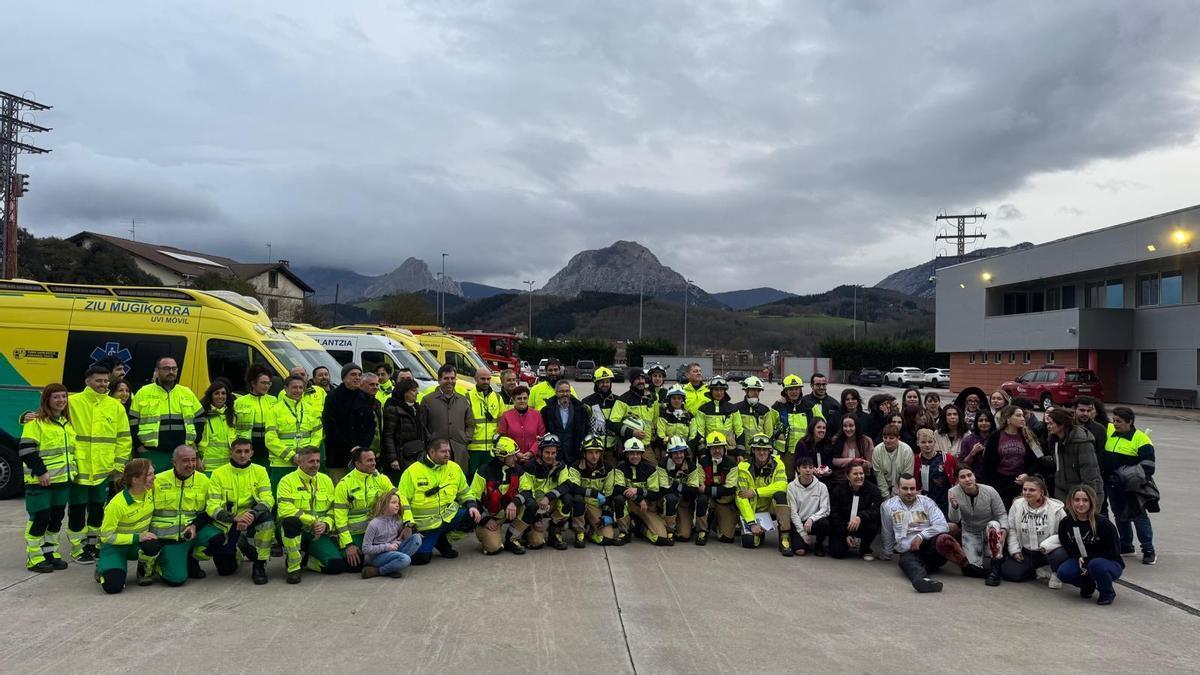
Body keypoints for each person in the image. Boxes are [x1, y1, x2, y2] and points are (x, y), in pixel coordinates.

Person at [67, 365, 133, 563]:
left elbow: (124, 439)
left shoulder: (115, 406)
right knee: (77, 510)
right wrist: (27, 416)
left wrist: (119, 468)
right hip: (80, 468)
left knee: (98, 510)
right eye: (99, 381)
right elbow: (47, 416)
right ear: (88, 381)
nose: (103, 384)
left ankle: (93, 545)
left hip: (104, 469)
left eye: (106, 381)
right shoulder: (71, 402)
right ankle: (78, 548)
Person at [19, 384, 76, 572]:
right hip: (40, 481)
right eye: (56, 397)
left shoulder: (66, 423)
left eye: (63, 396)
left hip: (62, 481)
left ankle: (50, 553)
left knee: (56, 519)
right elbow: (27, 450)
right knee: (40, 518)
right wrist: (41, 471)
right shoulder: (35, 422)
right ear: (47, 400)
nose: (61, 400)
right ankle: (34, 558)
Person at [397, 438, 481, 565]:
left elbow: (465, 492)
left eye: (448, 450)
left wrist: (471, 505)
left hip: (447, 518)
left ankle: (443, 539)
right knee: (421, 559)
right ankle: (437, 540)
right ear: (431, 452)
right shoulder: (412, 472)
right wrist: (408, 525)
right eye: (443, 451)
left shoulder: (454, 468)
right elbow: (402, 501)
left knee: (472, 516)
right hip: (424, 526)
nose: (448, 454)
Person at [881, 474, 971, 593]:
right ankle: (921, 580)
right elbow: (887, 531)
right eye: (905, 488)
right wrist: (887, 553)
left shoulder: (927, 502)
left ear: (916, 488)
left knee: (944, 539)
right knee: (906, 562)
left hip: (932, 547)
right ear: (898, 488)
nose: (909, 492)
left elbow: (942, 525)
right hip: (909, 552)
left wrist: (921, 536)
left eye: (912, 488)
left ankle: (968, 568)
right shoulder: (888, 506)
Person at [204, 438, 274, 584]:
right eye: (238, 451)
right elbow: (211, 506)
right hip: (229, 523)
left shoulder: (260, 471)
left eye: (246, 451)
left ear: (252, 453)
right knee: (225, 570)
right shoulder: (218, 474)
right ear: (231, 453)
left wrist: (252, 514)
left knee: (267, 518)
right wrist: (234, 518)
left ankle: (259, 565)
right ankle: (240, 548)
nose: (242, 455)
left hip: (252, 518)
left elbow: (268, 499)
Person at [146, 445, 213, 587]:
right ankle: (160, 561)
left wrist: (194, 526)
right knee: (176, 579)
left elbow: (209, 510)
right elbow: (145, 510)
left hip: (191, 532)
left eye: (193, 460)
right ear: (174, 462)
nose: (190, 465)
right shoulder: (158, 481)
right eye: (185, 461)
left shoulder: (205, 481)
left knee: (218, 539)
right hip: (166, 537)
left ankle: (191, 559)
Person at [276, 446, 344, 583]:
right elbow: (285, 509)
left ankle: (306, 560)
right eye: (311, 461)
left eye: (318, 461)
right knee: (290, 522)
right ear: (300, 462)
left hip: (317, 532)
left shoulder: (326, 480)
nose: (316, 465)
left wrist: (325, 524)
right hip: (292, 530)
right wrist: (312, 521)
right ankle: (293, 567)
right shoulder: (286, 481)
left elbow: (332, 509)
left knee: (336, 566)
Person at [1103, 407, 1157, 565]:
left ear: (1130, 422)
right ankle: (1126, 545)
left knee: (1139, 517)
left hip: (1133, 487)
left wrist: (1128, 478)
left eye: (1119, 421)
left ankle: (1148, 550)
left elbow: (1149, 467)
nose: (1115, 424)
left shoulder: (1142, 439)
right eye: (1114, 420)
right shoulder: (1110, 431)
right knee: (1120, 516)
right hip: (1112, 485)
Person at [96, 459, 160, 593]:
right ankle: (103, 566)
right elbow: (106, 537)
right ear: (135, 479)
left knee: (152, 544)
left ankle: (144, 572)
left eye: (153, 473)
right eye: (149, 475)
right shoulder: (117, 504)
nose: (154, 477)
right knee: (113, 586)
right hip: (115, 547)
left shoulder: (151, 492)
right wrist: (137, 537)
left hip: (137, 545)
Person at [1056, 485, 1125, 605]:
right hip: (1081, 560)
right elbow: (1067, 545)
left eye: (1085, 500)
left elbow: (1114, 551)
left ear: (1092, 502)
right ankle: (1087, 584)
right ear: (1071, 502)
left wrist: (1088, 561)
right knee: (1063, 572)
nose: (1081, 504)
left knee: (1096, 565)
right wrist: (1078, 558)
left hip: (1107, 562)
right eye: (1077, 500)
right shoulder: (1066, 523)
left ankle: (1107, 592)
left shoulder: (1103, 524)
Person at [131, 356, 202, 472]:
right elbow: (132, 421)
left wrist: (195, 441)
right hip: (153, 452)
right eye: (166, 368)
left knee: (179, 486)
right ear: (157, 371)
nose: (171, 372)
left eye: (174, 369)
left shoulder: (186, 392)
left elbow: (200, 418)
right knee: (152, 486)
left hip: (181, 452)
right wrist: (139, 445)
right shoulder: (143, 392)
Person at [332, 447, 396, 571]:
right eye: (369, 460)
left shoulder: (381, 479)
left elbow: (400, 499)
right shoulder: (344, 484)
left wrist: (408, 524)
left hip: (377, 533)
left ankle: (382, 566)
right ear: (358, 464)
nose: (374, 463)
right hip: (355, 534)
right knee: (353, 567)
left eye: (374, 459)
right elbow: (340, 518)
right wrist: (348, 544)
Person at [516, 434, 581, 550]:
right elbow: (526, 492)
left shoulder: (560, 467)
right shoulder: (530, 467)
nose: (550, 456)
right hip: (534, 505)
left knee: (567, 500)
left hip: (549, 502)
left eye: (553, 453)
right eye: (547, 452)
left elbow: (566, 485)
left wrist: (548, 497)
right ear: (540, 452)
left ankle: (554, 531)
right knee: (537, 543)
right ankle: (528, 529)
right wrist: (536, 518)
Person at [1001, 476, 1068, 586]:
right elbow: (1012, 529)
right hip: (1027, 551)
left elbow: (1063, 534)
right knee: (1009, 573)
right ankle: (1038, 570)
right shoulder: (1017, 506)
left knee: (1060, 554)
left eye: (1032, 490)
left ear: (1041, 492)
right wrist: (1015, 550)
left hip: (1048, 551)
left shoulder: (1056, 509)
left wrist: (1046, 545)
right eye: (1024, 489)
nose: (1027, 493)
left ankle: (1055, 573)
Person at [468, 436, 529, 554]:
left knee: (531, 505)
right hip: (490, 516)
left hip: (510, 511)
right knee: (493, 548)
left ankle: (512, 538)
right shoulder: (484, 470)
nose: (516, 459)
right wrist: (485, 520)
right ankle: (486, 533)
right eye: (512, 455)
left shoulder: (518, 470)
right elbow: (472, 497)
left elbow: (527, 491)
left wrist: (514, 502)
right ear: (502, 456)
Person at [948, 467, 1008, 586]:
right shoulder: (953, 492)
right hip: (970, 531)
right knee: (972, 567)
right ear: (958, 480)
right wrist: (954, 507)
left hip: (988, 528)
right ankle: (989, 568)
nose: (967, 479)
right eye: (963, 477)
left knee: (994, 524)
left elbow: (1001, 514)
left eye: (969, 475)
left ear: (974, 476)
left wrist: (1004, 532)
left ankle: (996, 565)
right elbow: (954, 519)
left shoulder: (990, 491)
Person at [735, 434, 793, 556]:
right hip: (753, 510)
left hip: (770, 507)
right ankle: (759, 532)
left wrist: (756, 492)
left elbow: (782, 485)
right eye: (758, 449)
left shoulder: (778, 464)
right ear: (753, 450)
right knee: (748, 542)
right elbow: (741, 497)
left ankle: (784, 537)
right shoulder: (743, 467)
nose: (762, 453)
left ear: (770, 450)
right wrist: (752, 523)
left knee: (781, 495)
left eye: (765, 449)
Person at [323, 363, 377, 482]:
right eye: (353, 374)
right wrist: (351, 447)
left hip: (361, 455)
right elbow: (331, 427)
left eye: (359, 375)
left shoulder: (365, 397)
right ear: (344, 378)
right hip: (339, 454)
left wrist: (362, 447)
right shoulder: (333, 397)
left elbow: (371, 426)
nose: (357, 377)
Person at [982, 405, 1041, 509]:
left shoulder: (1028, 435)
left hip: (1022, 482)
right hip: (1000, 482)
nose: (1022, 418)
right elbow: (987, 463)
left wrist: (1028, 474)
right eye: (1018, 415)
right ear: (1008, 419)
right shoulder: (995, 436)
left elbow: (1037, 460)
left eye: (1023, 415)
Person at [613, 438, 670, 545]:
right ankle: (624, 532)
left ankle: (641, 529)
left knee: (661, 539)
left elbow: (655, 494)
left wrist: (637, 490)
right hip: (630, 505)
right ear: (626, 455)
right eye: (632, 454)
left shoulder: (650, 470)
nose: (635, 456)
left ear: (642, 454)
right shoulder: (620, 469)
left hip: (647, 508)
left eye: (638, 453)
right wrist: (638, 498)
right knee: (618, 499)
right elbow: (617, 489)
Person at [273, 374, 323, 490]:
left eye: (301, 388)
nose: (298, 391)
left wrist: (307, 456)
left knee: (305, 495)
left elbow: (317, 435)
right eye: (294, 387)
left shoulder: (311, 410)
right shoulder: (275, 410)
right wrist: (292, 456)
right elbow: (271, 439)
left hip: (306, 463)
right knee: (280, 496)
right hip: (282, 463)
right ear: (286, 388)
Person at [420, 365, 474, 470]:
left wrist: (465, 438)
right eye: (446, 378)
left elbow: (470, 423)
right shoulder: (428, 400)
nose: (450, 381)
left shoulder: (463, 400)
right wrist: (431, 440)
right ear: (439, 380)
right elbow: (422, 426)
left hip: (459, 451)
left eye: (452, 378)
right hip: (436, 453)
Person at [361, 489, 422, 578]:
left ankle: (392, 567)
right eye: (393, 502)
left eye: (398, 503)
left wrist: (396, 543)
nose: (397, 505)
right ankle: (378, 571)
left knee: (416, 538)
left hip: (393, 550)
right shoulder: (374, 524)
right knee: (405, 559)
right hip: (378, 557)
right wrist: (387, 547)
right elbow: (365, 548)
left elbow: (399, 538)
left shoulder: (397, 519)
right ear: (384, 505)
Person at [234, 364, 284, 474]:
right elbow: (233, 427)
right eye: (263, 383)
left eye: (268, 383)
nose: (266, 386)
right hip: (248, 448)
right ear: (253, 383)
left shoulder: (274, 400)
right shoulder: (240, 402)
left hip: (268, 448)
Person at [1045, 408, 1103, 502]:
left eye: (1051, 423)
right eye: (1048, 423)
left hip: (1081, 494)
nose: (1048, 426)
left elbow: (1090, 474)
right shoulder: (1054, 440)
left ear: (1062, 424)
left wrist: (1088, 499)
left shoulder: (1082, 442)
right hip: (1061, 491)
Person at [571, 435, 620, 546]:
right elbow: (573, 487)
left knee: (608, 538)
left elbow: (609, 493)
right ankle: (579, 533)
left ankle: (590, 531)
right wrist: (593, 493)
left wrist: (607, 513)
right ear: (584, 454)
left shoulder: (608, 469)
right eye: (590, 453)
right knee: (577, 499)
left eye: (597, 453)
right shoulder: (576, 467)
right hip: (581, 504)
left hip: (596, 506)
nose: (594, 456)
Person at [693, 431, 739, 545]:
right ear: (709, 449)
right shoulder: (702, 463)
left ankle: (714, 523)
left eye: (719, 448)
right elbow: (700, 485)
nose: (717, 451)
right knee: (702, 499)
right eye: (713, 448)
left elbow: (730, 489)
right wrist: (715, 490)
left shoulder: (731, 464)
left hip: (724, 502)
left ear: (724, 448)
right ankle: (702, 531)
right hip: (708, 500)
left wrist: (708, 489)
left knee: (727, 538)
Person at [827, 464, 881, 560]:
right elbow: (834, 514)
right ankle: (846, 542)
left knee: (873, 524)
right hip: (843, 525)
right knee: (837, 553)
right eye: (855, 474)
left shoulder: (873, 490)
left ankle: (865, 549)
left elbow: (875, 510)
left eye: (861, 473)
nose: (859, 477)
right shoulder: (838, 490)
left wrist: (860, 517)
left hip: (862, 524)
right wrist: (845, 534)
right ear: (848, 476)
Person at [381, 378, 428, 482]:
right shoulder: (393, 409)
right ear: (405, 393)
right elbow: (388, 436)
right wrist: (393, 459)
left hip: (416, 454)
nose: (417, 393)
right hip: (400, 457)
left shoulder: (416, 408)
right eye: (414, 390)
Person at [610, 368, 660, 464]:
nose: (641, 381)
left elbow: (655, 422)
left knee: (653, 471)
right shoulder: (623, 400)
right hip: (628, 447)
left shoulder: (652, 398)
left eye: (643, 378)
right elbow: (612, 423)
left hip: (646, 446)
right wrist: (632, 432)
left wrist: (656, 446)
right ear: (632, 381)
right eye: (637, 379)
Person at [657, 436, 699, 542]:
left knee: (684, 536)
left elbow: (694, 491)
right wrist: (684, 489)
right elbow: (663, 489)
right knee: (670, 498)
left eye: (681, 452)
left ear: (685, 452)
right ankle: (669, 529)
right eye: (675, 453)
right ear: (670, 454)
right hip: (667, 502)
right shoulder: (662, 465)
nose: (679, 456)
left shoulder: (691, 466)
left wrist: (676, 486)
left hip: (683, 504)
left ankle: (682, 524)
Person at [696, 376, 746, 466]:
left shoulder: (733, 409)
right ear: (711, 391)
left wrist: (740, 453)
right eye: (716, 390)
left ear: (724, 391)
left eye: (721, 390)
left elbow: (739, 432)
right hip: (709, 451)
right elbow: (700, 432)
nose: (719, 392)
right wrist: (702, 452)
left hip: (729, 450)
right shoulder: (703, 409)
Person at [787, 456, 831, 556]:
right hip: (799, 522)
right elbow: (793, 512)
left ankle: (819, 544)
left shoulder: (822, 487)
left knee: (824, 523)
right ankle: (801, 541)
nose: (808, 470)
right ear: (798, 469)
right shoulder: (791, 487)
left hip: (814, 522)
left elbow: (826, 509)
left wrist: (811, 519)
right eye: (804, 467)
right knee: (800, 552)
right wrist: (802, 533)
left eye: (810, 467)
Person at [465, 367, 502, 480]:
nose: (486, 381)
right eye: (482, 379)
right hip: (474, 449)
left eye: (488, 379)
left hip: (491, 448)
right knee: (473, 477)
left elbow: (501, 422)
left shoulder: (497, 397)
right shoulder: (468, 397)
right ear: (475, 379)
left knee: (489, 478)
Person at [770, 374, 807, 479]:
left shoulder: (808, 405)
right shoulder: (777, 407)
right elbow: (769, 428)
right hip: (786, 452)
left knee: (805, 478)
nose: (794, 392)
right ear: (785, 391)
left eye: (796, 389)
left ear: (800, 390)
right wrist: (778, 434)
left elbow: (819, 424)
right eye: (790, 389)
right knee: (786, 478)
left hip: (805, 450)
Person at [197, 379, 236, 476]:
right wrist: (197, 459)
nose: (220, 396)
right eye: (216, 393)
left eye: (223, 393)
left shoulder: (232, 415)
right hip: (207, 468)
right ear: (211, 396)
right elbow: (193, 440)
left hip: (228, 466)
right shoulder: (202, 415)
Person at [581, 366, 621, 461]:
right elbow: (583, 426)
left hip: (612, 449)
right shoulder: (587, 401)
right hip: (594, 448)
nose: (605, 385)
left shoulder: (618, 401)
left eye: (607, 382)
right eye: (602, 382)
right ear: (596, 383)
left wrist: (620, 442)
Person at [913, 428, 956, 514]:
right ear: (918, 443)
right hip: (926, 503)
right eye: (923, 442)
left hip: (946, 501)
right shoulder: (916, 460)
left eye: (930, 442)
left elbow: (955, 478)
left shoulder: (947, 458)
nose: (927, 445)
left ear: (934, 442)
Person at [497, 384, 544, 460]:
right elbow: (503, 438)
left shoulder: (537, 415)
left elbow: (541, 437)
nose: (522, 401)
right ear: (513, 399)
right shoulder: (506, 416)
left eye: (525, 398)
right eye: (519, 398)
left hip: (533, 459)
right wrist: (515, 452)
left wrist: (531, 452)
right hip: (512, 458)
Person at [735, 376, 777, 451]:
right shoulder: (736, 409)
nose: (756, 393)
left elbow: (769, 433)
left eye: (758, 390)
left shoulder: (765, 410)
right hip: (742, 452)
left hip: (759, 452)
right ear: (746, 391)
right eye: (753, 390)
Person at [829, 415, 874, 484]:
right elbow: (833, 461)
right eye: (845, 426)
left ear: (856, 426)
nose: (848, 429)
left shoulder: (866, 441)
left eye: (851, 426)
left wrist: (861, 463)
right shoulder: (836, 439)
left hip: (862, 478)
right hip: (841, 479)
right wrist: (851, 460)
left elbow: (870, 464)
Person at [873, 424, 913, 501]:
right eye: (885, 438)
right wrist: (886, 497)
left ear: (898, 438)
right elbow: (879, 476)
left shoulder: (907, 450)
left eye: (891, 438)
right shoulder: (877, 450)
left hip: (902, 488)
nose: (887, 441)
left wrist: (895, 497)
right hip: (884, 489)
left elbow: (906, 475)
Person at [656, 385, 698, 458]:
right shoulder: (663, 415)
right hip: (667, 449)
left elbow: (693, 435)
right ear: (669, 400)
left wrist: (687, 448)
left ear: (683, 400)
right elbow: (660, 435)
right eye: (674, 398)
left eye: (679, 398)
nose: (677, 400)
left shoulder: (689, 416)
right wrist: (669, 443)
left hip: (685, 450)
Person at [1072, 396, 1108, 470]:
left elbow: (1100, 455)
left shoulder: (1099, 429)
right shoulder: (1066, 426)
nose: (1086, 413)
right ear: (1074, 409)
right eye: (1082, 410)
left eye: (1089, 411)